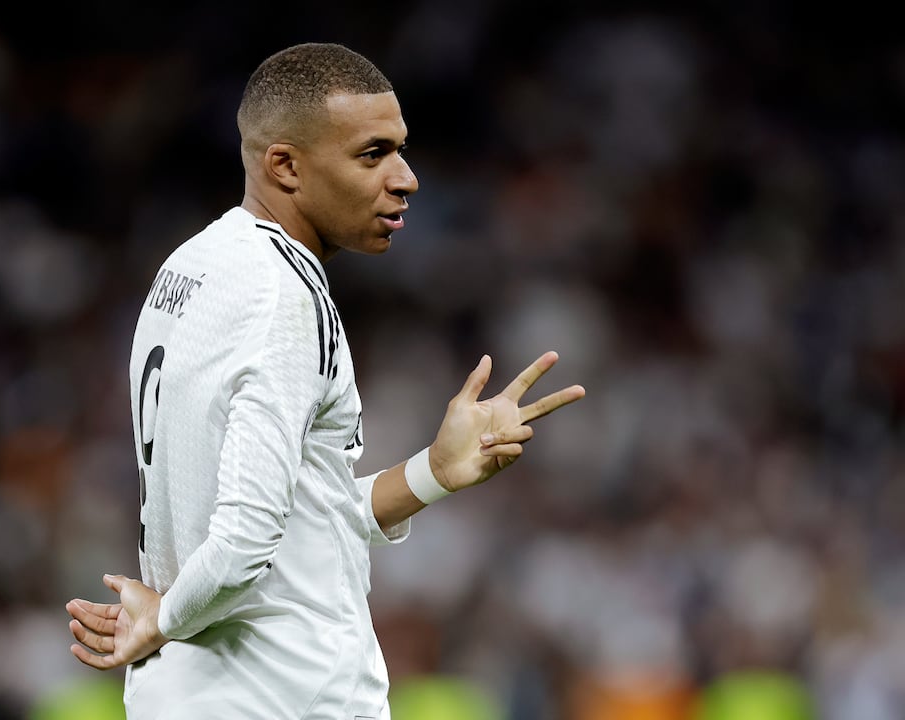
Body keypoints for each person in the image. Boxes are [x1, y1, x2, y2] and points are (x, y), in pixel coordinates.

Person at [63, 42, 585, 719]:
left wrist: (433, 471)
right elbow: (246, 539)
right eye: (372, 155)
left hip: (187, 697)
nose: (405, 178)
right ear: (285, 165)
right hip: (285, 697)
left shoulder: (190, 269)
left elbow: (298, 520)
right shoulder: (282, 297)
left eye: (399, 149)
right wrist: (160, 619)